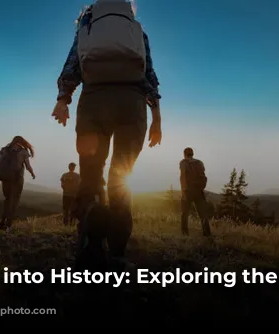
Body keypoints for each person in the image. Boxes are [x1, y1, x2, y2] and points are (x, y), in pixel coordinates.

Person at [52, 0, 162, 270]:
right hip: (132, 104)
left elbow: (72, 65)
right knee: (121, 176)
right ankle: (118, 253)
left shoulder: (87, 27)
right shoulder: (137, 31)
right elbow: (149, 75)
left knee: (91, 174)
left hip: (93, 102)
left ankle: (90, 243)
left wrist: (63, 99)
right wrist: (157, 118)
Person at [0, 136, 36, 232]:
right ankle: (8, 224)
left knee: (7, 199)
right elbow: (28, 166)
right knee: (14, 201)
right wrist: (32, 174)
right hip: (17, 179)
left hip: (5, 178)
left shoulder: (4, 150)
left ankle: (2, 222)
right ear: (22, 142)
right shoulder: (23, 152)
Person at [179, 147, 211, 237]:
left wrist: (183, 191)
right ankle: (207, 235)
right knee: (202, 214)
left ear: (184, 154)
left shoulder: (183, 162)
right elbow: (203, 177)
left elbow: (183, 177)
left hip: (187, 191)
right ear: (192, 154)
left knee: (184, 214)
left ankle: (184, 235)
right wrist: (201, 188)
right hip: (198, 191)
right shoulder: (199, 163)